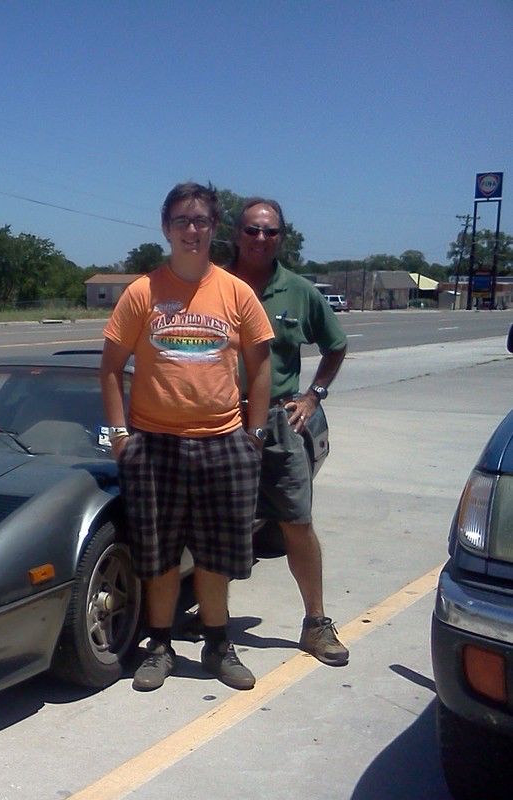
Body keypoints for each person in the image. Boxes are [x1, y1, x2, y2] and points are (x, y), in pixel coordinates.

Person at [100, 182, 274, 692]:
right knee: (158, 555)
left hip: (224, 442)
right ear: (166, 228)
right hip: (154, 444)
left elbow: (260, 366)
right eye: (181, 221)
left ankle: (218, 646)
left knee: (216, 557)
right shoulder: (142, 292)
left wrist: (254, 433)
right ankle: (159, 647)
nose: (191, 230)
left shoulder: (236, 292)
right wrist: (119, 436)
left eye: (200, 221)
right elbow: (109, 367)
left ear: (214, 228)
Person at [226, 197, 349, 666]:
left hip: (278, 423)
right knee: (213, 524)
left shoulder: (299, 291)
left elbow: (336, 345)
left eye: (270, 231)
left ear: (281, 237)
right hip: (221, 421)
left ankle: (316, 624)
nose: (260, 238)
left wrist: (314, 395)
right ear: (236, 234)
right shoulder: (212, 285)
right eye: (252, 230)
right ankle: (211, 617)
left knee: (297, 522)